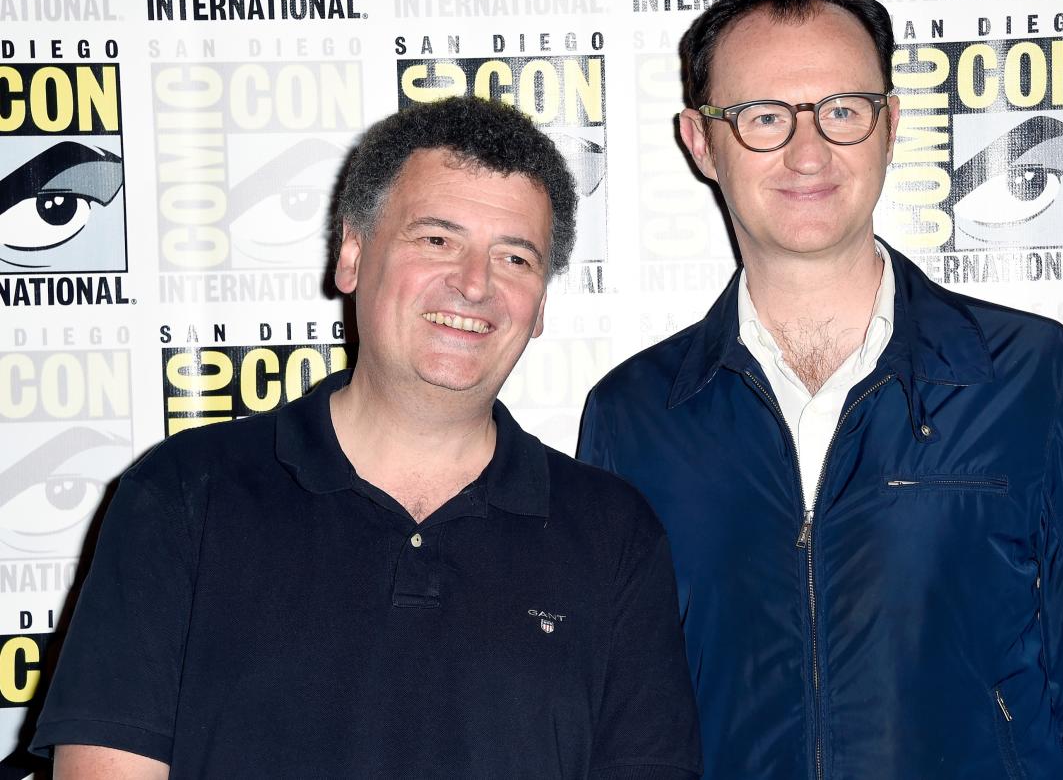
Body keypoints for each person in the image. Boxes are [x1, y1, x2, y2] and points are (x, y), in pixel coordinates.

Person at [577, 0, 1063, 780]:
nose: (809, 150)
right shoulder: (633, 415)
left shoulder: (1038, 380)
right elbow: (608, 715)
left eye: (843, 110)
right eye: (764, 116)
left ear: (891, 125)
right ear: (701, 141)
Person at [33, 96, 702, 779]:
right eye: (437, 239)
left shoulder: (614, 534)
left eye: (514, 258)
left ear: (539, 307)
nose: (474, 284)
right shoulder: (182, 496)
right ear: (351, 253)